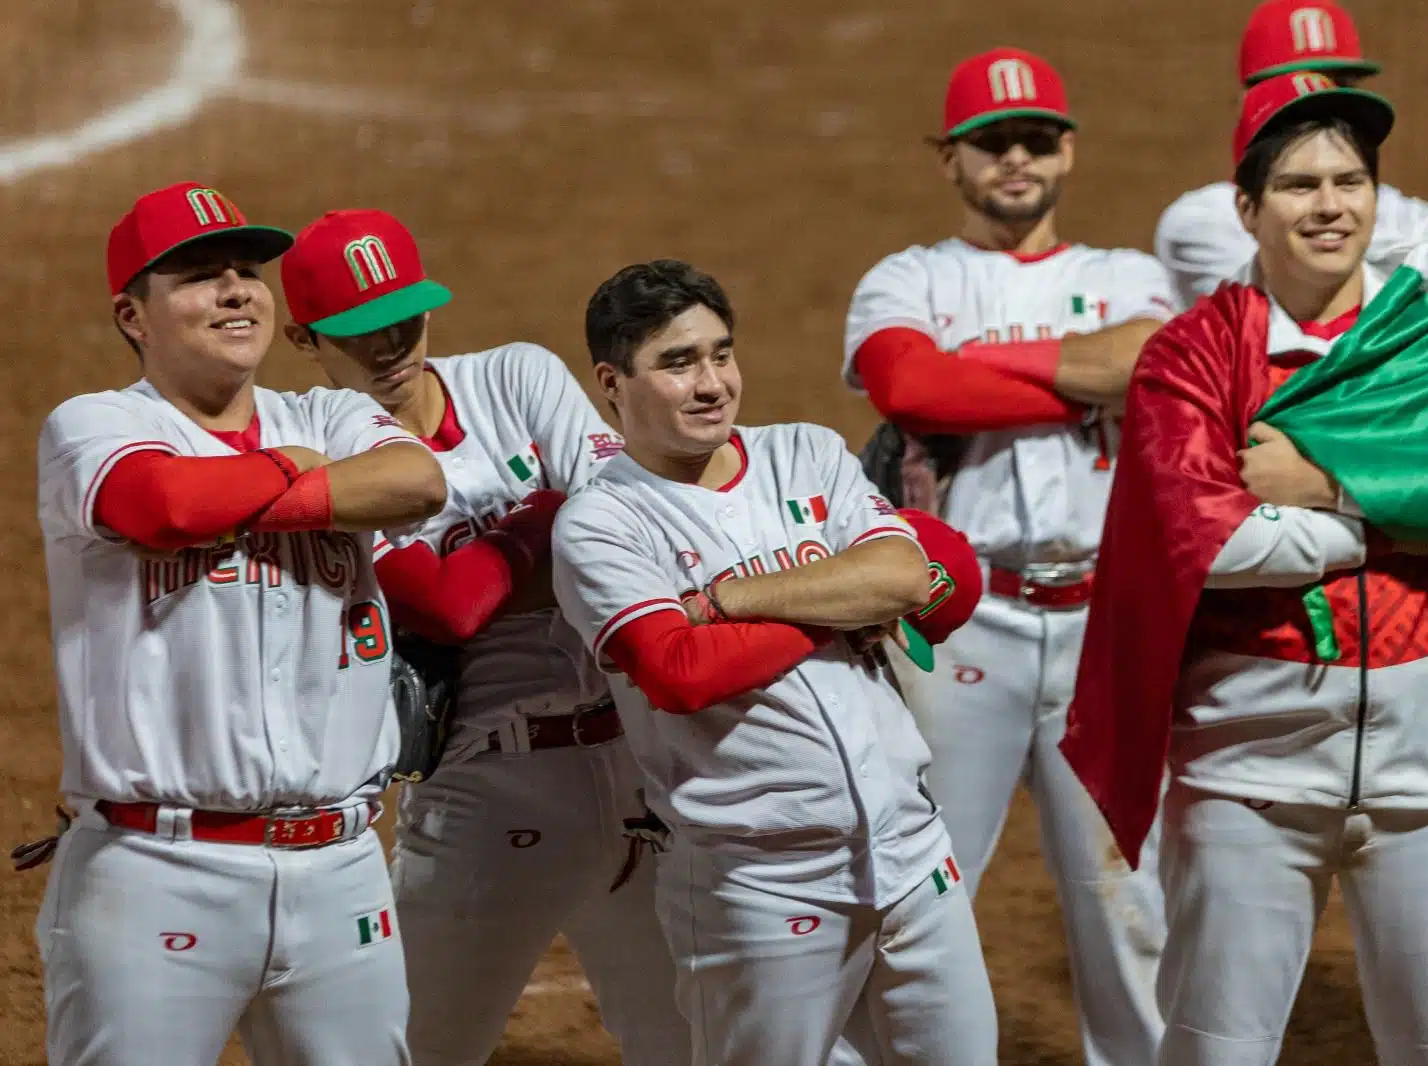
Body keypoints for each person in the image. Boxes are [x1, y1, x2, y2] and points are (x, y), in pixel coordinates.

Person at [1063, 74, 1428, 1066]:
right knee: (1216, 1049)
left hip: (1427, 772)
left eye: (1350, 181)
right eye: (1301, 184)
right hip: (1248, 771)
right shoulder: (1191, 357)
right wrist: (1400, 513)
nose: (1330, 205)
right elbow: (1207, 545)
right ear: (1247, 208)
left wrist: (1319, 483)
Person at [25, 182, 447, 1065]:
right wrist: (300, 478)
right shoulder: (95, 425)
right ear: (132, 315)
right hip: (157, 875)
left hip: (342, 869)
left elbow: (417, 481)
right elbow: (165, 503)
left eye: (247, 272)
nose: (237, 292)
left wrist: (258, 484)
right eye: (198, 276)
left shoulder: (327, 414)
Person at [551, 258, 998, 1066]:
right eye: (678, 363)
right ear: (612, 382)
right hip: (759, 885)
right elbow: (681, 672)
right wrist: (838, 605)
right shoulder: (601, 524)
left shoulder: (807, 453)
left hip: (912, 854)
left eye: (721, 354)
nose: (712, 383)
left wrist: (729, 600)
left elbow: (905, 575)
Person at [278, 208, 690, 1066]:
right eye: (361, 333)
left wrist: (510, 552)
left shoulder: (516, 376)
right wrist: (549, 519)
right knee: (417, 1052)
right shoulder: (320, 453)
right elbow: (442, 608)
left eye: (405, 319)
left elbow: (639, 528)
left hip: (636, 774)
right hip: (488, 795)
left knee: (696, 1043)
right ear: (305, 337)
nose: (392, 347)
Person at [841, 46, 1176, 1066]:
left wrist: (975, 364)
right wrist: (1085, 380)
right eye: (992, 143)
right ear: (951, 158)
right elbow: (908, 387)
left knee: (1128, 902)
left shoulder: (1126, 274)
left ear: (1067, 149)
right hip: (959, 623)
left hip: (1102, 626)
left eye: (1035, 137)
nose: (1016, 158)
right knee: (919, 881)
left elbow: (1151, 361)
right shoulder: (909, 277)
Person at [1153, 0, 1428, 313]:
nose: (1320, 97)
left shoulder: (1404, 209)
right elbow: (1298, 304)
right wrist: (1410, 263)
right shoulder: (1201, 220)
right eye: (1294, 86)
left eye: (1341, 83)